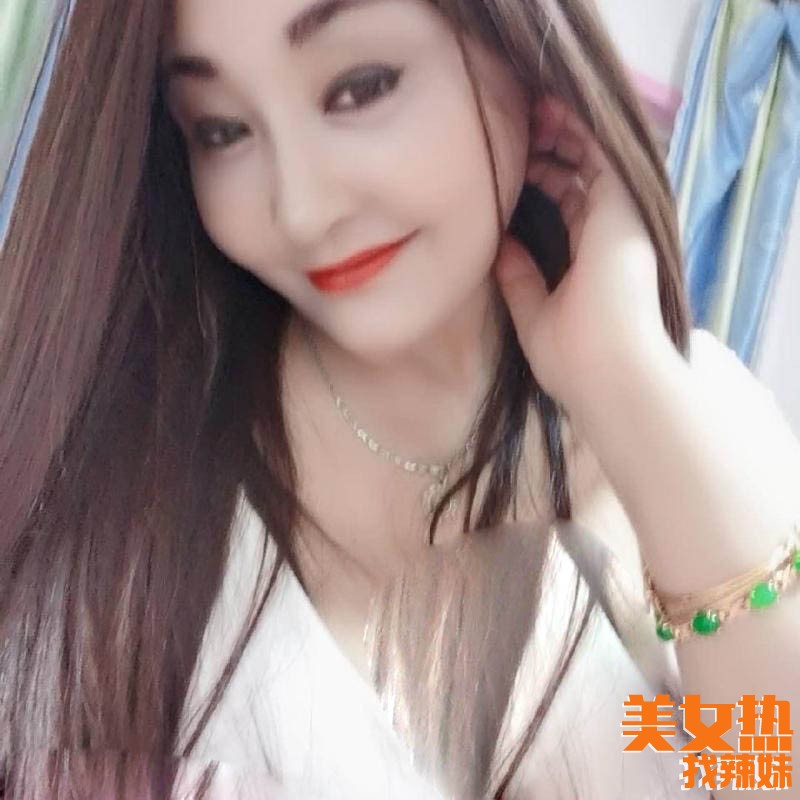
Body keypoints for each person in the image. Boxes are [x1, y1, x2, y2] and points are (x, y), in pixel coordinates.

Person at [1, 0, 799, 797]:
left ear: (522, 54)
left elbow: (768, 769)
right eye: (221, 129)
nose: (303, 211)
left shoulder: (700, 419)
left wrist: (628, 386)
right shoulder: (123, 509)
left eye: (362, 86)